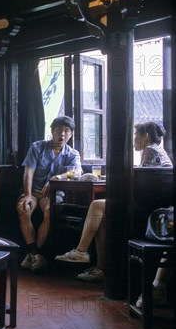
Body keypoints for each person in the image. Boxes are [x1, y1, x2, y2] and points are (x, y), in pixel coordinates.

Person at [56, 121, 173, 295]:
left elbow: (139, 187)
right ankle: (101, 269)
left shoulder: (150, 151)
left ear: (145, 136)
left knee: (96, 205)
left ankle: (81, 251)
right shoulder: (159, 151)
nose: (133, 139)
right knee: (103, 218)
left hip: (147, 210)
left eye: (136, 135)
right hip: (151, 207)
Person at [17, 115, 81, 273]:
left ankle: (32, 254)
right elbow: (28, 172)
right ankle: (36, 254)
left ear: (71, 134)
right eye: (59, 130)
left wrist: (58, 177)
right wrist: (27, 194)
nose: (62, 134)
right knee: (23, 208)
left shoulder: (72, 154)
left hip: (53, 195)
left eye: (67, 131)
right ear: (52, 132)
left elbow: (77, 172)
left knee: (49, 211)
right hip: (32, 191)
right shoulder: (37, 147)